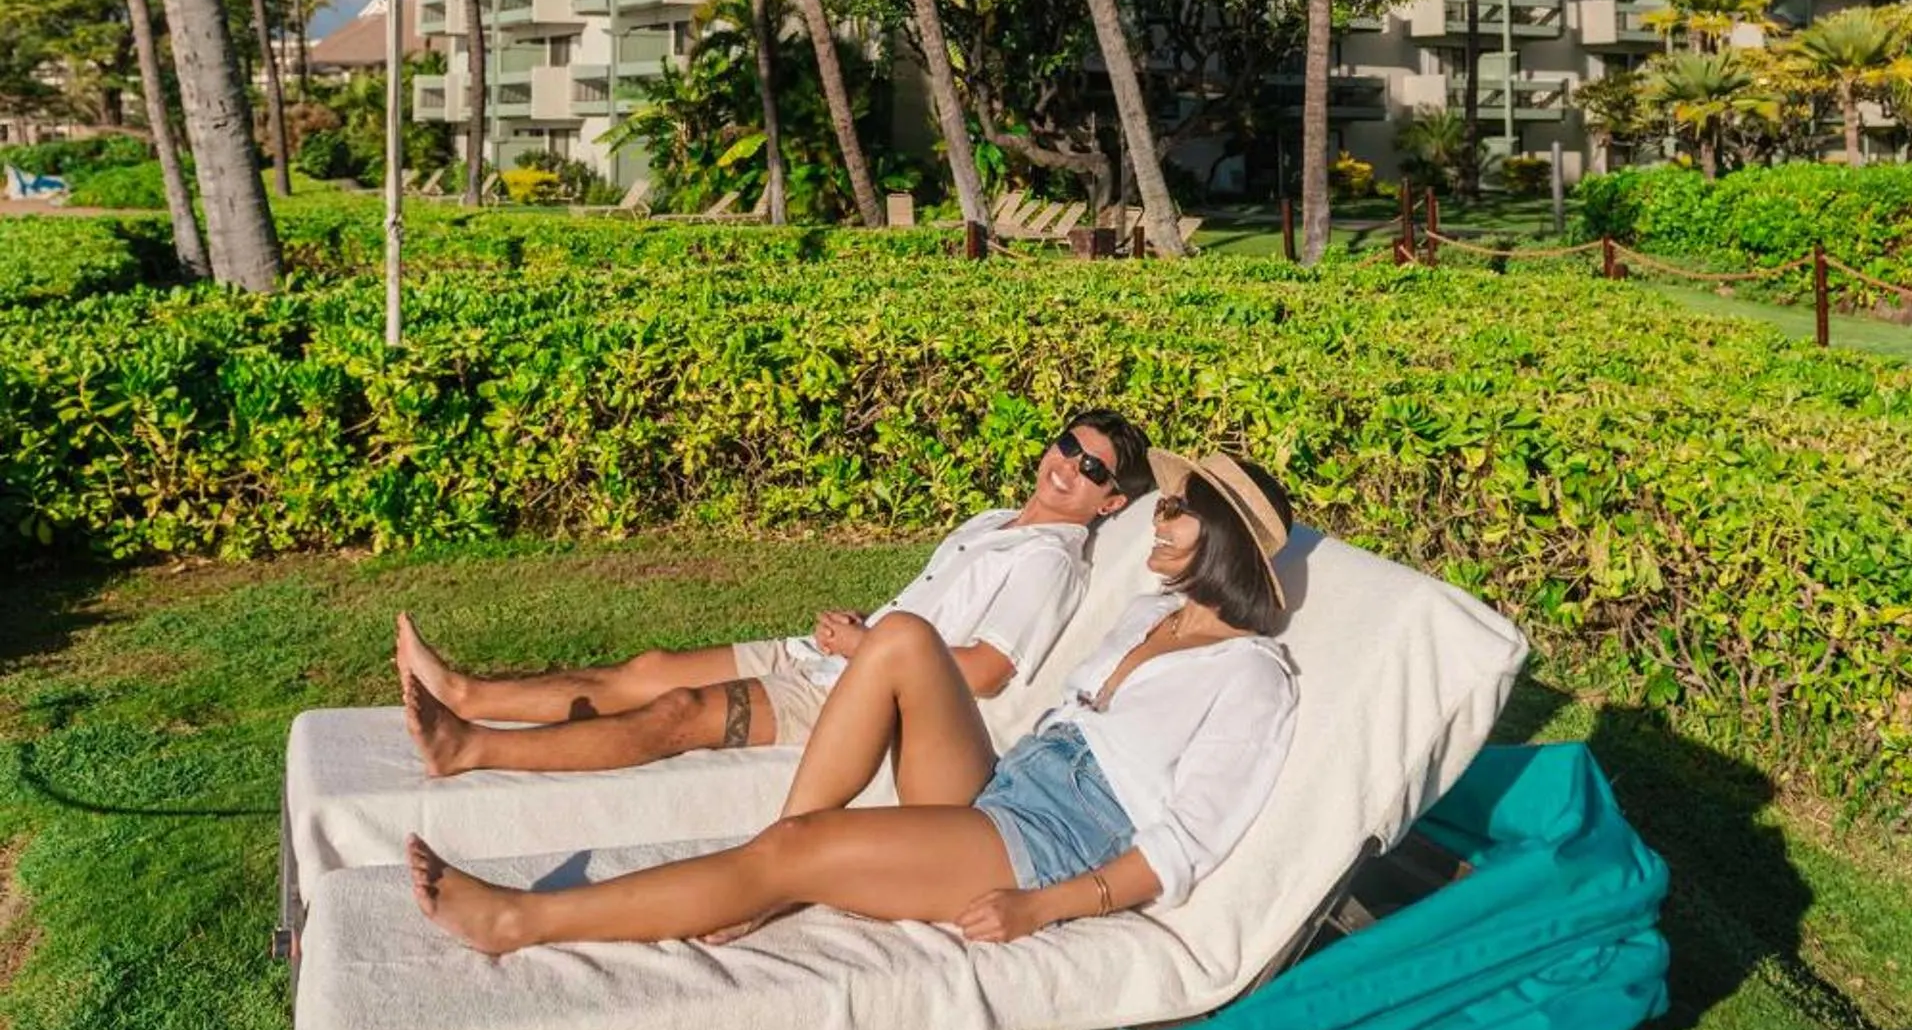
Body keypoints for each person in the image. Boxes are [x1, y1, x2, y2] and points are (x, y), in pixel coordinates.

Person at [408, 448, 1298, 957]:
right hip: (1008, 787)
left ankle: (519, 921)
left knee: (802, 847)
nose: (1161, 517)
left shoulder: (1253, 677)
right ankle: (770, 867)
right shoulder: (1153, 614)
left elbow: (1186, 842)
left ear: (1217, 541)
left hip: (1055, 842)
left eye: (1179, 511)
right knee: (904, 634)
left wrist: (1046, 906)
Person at [396, 409, 1153, 780]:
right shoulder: (996, 521)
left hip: (860, 700)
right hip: (827, 658)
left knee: (679, 713)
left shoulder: (1051, 562)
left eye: (1094, 471)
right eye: (1068, 447)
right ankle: (464, 691)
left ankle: (471, 746)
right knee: (650, 667)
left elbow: (986, 670)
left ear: (1111, 502)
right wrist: (861, 629)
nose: (1069, 468)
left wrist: (864, 647)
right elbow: (932, 611)